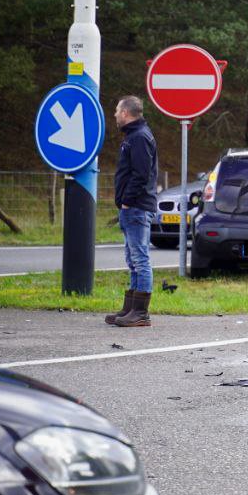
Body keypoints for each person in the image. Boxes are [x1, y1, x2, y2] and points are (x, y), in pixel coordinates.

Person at [105, 96, 158, 327]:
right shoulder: (134, 136)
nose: (115, 114)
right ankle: (130, 308)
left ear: (126, 112)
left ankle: (140, 313)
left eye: (117, 110)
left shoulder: (139, 137)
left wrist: (127, 201)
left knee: (140, 258)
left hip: (136, 207)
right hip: (132, 207)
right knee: (132, 259)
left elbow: (141, 174)